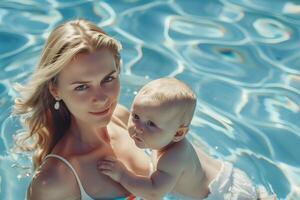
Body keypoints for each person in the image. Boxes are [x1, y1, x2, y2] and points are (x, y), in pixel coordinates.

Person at [13, 19, 151, 200]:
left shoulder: (123, 117)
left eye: (108, 79)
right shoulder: (55, 181)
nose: (101, 99)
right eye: (81, 87)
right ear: (55, 90)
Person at [98, 77, 263, 200]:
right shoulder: (170, 140)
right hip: (230, 175)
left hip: (224, 195)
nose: (138, 127)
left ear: (178, 133)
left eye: (151, 124)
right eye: (135, 116)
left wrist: (122, 175)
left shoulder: (172, 158)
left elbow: (154, 192)